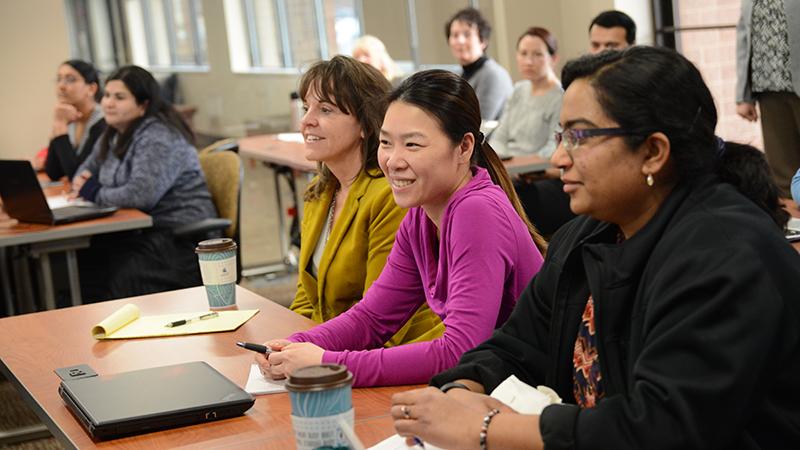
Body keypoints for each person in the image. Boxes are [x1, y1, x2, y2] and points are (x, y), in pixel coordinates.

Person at [390, 47, 800, 449]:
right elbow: (515, 345)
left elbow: (660, 428)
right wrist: (462, 392)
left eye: (579, 137)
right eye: (560, 135)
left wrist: (484, 430)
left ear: (653, 152)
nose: (558, 157)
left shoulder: (725, 252)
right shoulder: (587, 235)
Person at [257, 70, 546, 387]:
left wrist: (327, 362)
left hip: (537, 391)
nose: (393, 161)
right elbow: (373, 316)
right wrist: (294, 343)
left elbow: (459, 352)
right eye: (385, 143)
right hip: (499, 384)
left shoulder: (476, 212)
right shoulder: (421, 215)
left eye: (412, 144)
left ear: (464, 148)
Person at [288, 55, 442, 346]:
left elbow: (383, 321)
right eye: (306, 107)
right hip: (331, 348)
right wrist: (292, 343)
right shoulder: (319, 193)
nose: (307, 120)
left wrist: (316, 358)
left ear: (364, 124)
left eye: (325, 109)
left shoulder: (389, 196)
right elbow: (307, 298)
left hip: (392, 351)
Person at [72, 65, 217, 302]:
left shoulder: (159, 136)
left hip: (178, 238)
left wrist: (94, 191)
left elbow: (139, 195)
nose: (108, 103)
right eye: (107, 95)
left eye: (119, 97)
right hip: (139, 231)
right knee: (84, 263)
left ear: (143, 105)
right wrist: (90, 185)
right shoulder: (114, 133)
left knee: (114, 279)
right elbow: (83, 173)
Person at [491, 26, 572, 236]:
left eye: (537, 54)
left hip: (541, 175)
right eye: (523, 54)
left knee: (507, 197)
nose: (529, 61)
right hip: (511, 169)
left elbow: (549, 151)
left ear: (553, 58)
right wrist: (506, 161)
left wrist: (513, 163)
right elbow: (499, 137)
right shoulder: (519, 90)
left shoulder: (561, 96)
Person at [736, 0, 800, 198]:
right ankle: (794, 225)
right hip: (768, 87)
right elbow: (744, 39)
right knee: (782, 172)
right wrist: (743, 95)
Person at [445, 7, 513, 121]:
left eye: (467, 35)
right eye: (455, 35)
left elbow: (479, 122)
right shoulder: (458, 74)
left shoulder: (493, 74)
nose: (460, 41)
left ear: (483, 41)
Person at [42, 60, 106, 180]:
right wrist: (59, 124)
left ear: (91, 89)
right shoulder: (70, 118)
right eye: (59, 79)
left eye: (70, 80)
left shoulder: (103, 122)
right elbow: (53, 172)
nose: (61, 86)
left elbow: (77, 175)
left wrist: (60, 125)